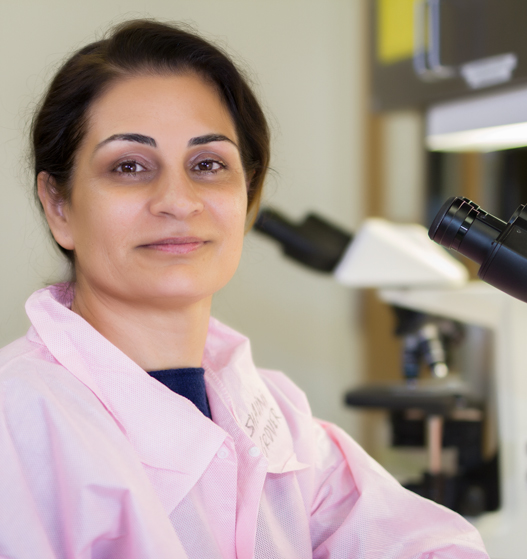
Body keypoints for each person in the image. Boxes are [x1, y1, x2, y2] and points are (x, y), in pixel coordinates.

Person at [0, 19, 489, 558]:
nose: (178, 201)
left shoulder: (271, 412)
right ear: (58, 205)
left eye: (208, 164)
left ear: (248, 199)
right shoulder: (20, 421)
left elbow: (421, 544)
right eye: (130, 166)